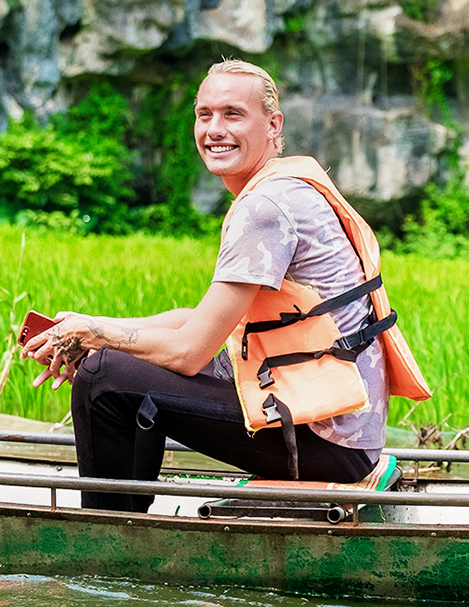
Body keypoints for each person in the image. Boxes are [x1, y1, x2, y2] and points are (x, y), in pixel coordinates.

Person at [23, 59, 431, 511]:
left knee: (104, 376)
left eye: (233, 114)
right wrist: (92, 326)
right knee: (111, 360)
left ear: (273, 125)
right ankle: (127, 525)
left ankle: (109, 543)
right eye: (204, 115)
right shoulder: (282, 189)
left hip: (325, 441)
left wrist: (95, 337)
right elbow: (200, 323)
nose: (215, 129)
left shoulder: (266, 206)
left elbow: (190, 351)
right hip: (334, 428)